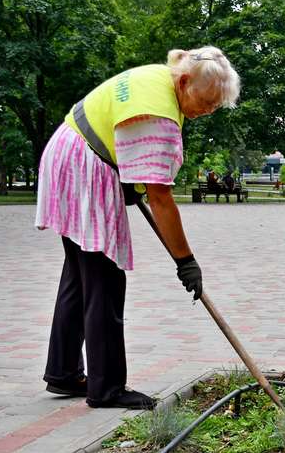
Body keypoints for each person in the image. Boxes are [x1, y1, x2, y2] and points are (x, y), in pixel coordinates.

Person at [35, 47, 241, 409]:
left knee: (79, 276)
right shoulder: (159, 112)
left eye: (214, 106)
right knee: (105, 280)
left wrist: (130, 180)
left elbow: (125, 143)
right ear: (184, 80)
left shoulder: (155, 78)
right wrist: (186, 260)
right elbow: (161, 199)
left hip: (67, 155)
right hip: (84, 166)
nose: (206, 111)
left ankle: (64, 372)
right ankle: (107, 388)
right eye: (205, 101)